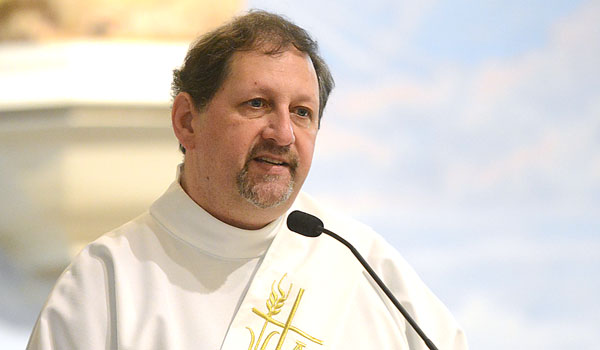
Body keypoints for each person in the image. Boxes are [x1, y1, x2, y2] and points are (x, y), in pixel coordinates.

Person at [27, 10, 467, 350]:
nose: (283, 134)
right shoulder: (108, 281)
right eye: (257, 104)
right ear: (187, 121)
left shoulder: (361, 263)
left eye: (302, 112)